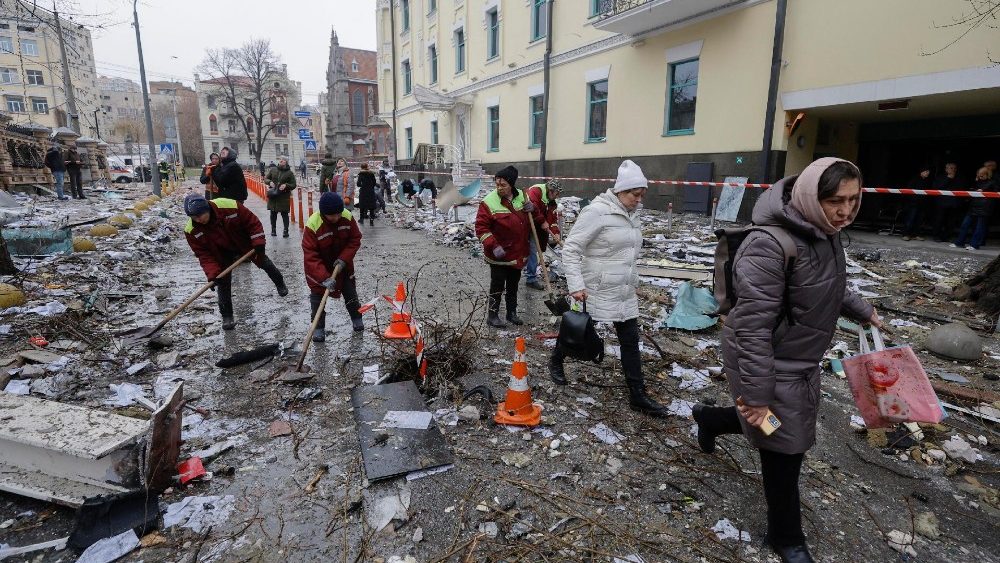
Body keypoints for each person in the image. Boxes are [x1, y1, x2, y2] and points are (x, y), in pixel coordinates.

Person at [692, 157, 881, 563]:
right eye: (836, 201)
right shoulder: (769, 245)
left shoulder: (824, 231)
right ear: (813, 197)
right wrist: (757, 394)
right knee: (783, 446)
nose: (846, 211)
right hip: (766, 360)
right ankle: (786, 537)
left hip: (800, 358)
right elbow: (751, 329)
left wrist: (862, 309)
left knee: (772, 428)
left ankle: (709, 418)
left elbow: (826, 284)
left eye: (854, 199)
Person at [548, 160, 669, 418]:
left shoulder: (633, 215)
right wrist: (576, 286)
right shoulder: (596, 212)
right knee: (577, 328)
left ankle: (637, 394)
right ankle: (556, 359)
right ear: (620, 191)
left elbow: (628, 254)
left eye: (642, 195)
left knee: (630, 340)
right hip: (594, 288)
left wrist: (632, 281)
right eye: (635, 194)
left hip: (623, 291)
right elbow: (571, 249)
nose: (639, 200)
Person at [182, 193, 289, 331]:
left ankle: (280, 283)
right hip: (220, 252)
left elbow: (253, 223)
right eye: (193, 218)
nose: (198, 220)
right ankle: (227, 316)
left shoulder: (228, 205)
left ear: (207, 208)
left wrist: (258, 242)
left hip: (242, 241)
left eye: (200, 215)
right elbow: (204, 255)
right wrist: (213, 274)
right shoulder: (191, 230)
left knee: (264, 262)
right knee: (222, 281)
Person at [475, 166, 536, 328]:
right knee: (497, 285)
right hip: (499, 254)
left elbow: (532, 219)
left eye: (503, 185)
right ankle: (492, 315)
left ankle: (511, 313)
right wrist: (493, 245)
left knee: (513, 285)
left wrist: (533, 209)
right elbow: (481, 228)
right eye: (497, 185)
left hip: (517, 252)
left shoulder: (522, 198)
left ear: (511, 184)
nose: (499, 188)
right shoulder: (488, 202)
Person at [302, 192, 365, 339]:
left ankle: (357, 319)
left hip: (342, 266)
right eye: (332, 216)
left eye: (338, 214)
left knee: (351, 294)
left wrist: (344, 259)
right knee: (318, 299)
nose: (336, 218)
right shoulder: (313, 224)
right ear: (324, 213)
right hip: (319, 269)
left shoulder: (347, 216)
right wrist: (324, 277)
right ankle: (318, 328)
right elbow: (310, 256)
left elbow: (355, 239)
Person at [524, 179, 562, 290]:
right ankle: (530, 278)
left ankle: (529, 275)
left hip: (537, 226)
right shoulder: (536, 191)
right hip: (527, 223)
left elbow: (552, 219)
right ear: (550, 191)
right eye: (556, 193)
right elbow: (532, 208)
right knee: (532, 250)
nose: (557, 196)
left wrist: (556, 233)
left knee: (533, 250)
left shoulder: (551, 202)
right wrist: (542, 221)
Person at [953, 166, 995, 250]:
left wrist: (983, 191)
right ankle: (959, 242)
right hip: (973, 206)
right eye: (979, 175)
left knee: (979, 227)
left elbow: (994, 192)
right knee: (965, 224)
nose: (980, 177)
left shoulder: (992, 183)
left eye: (982, 176)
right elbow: (970, 189)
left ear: (987, 175)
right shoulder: (977, 182)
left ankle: (974, 245)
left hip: (984, 207)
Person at [931, 162, 963, 242]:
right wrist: (948, 178)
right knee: (939, 220)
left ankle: (946, 236)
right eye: (950, 168)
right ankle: (936, 235)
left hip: (953, 204)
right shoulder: (940, 177)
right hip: (941, 203)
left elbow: (961, 189)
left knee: (950, 222)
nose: (953, 170)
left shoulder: (959, 178)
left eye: (954, 168)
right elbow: (936, 188)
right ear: (946, 169)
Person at [900, 164, 933, 241]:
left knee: (919, 220)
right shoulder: (914, 179)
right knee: (910, 219)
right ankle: (906, 234)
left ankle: (916, 234)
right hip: (913, 204)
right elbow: (909, 191)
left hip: (923, 205)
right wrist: (913, 200)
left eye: (928, 171)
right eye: (926, 171)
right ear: (921, 172)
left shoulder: (928, 181)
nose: (928, 173)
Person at [265, 157, 296, 237]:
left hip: (283, 197)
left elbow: (294, 185)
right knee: (273, 213)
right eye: (280, 159)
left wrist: (286, 185)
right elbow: (266, 179)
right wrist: (270, 182)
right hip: (273, 196)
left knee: (284, 214)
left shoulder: (289, 173)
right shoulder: (273, 170)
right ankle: (273, 230)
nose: (281, 160)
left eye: (283, 160)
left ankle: (286, 231)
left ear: (286, 162)